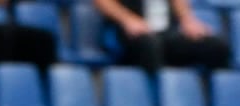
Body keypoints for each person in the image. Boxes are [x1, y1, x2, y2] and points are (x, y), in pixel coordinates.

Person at [89, 0, 230, 74]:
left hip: (167, 34)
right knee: (150, 46)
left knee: (216, 48)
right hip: (132, 33)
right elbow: (102, 1)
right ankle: (160, 104)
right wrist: (127, 19)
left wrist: (188, 21)